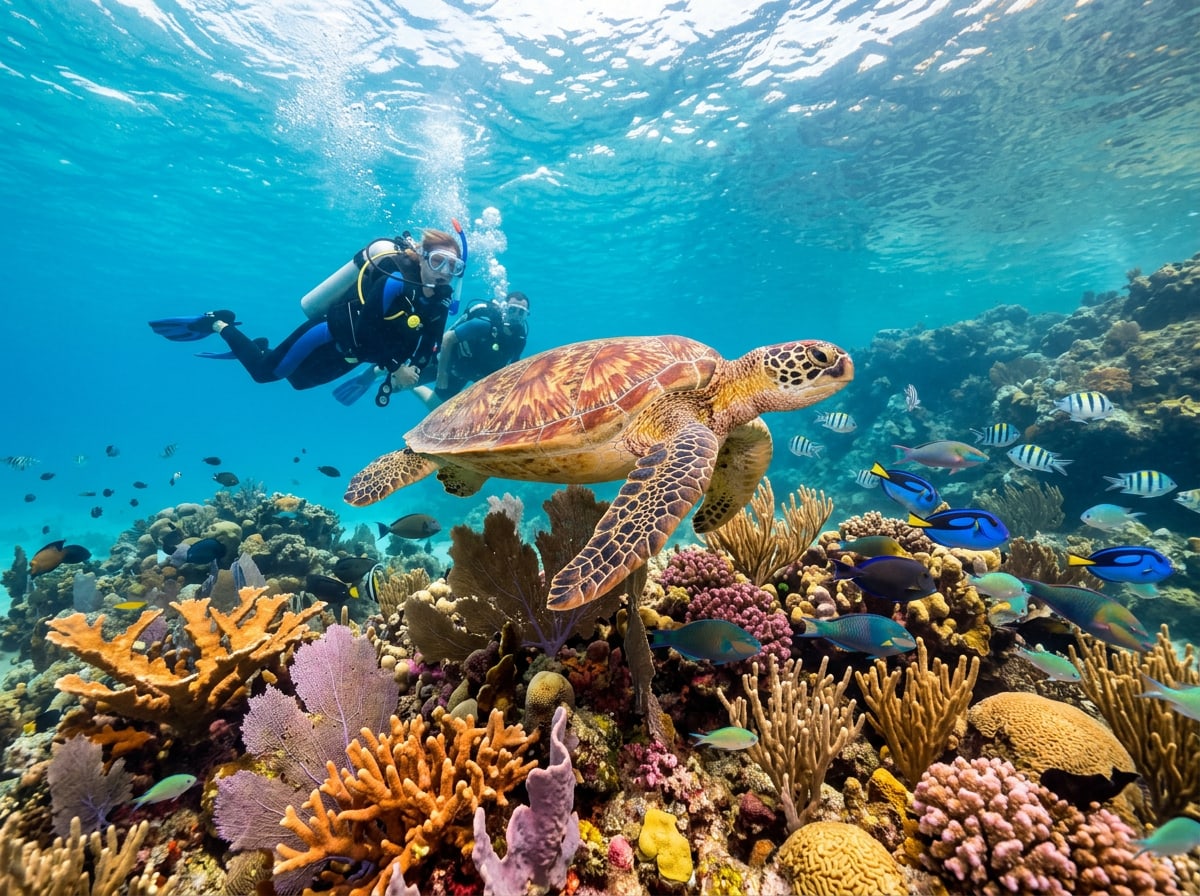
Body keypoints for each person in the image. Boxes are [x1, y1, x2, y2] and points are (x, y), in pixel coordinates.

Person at [149, 223, 468, 407]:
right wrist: (397, 368)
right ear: (422, 257)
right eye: (438, 261)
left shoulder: (441, 301)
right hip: (327, 334)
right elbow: (370, 326)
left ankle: (261, 346)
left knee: (297, 382)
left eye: (454, 267)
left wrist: (413, 368)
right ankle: (218, 322)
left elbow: (431, 345)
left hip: (354, 357)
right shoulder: (396, 280)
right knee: (264, 374)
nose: (445, 272)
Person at [409, 291, 530, 409]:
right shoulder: (485, 324)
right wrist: (442, 374)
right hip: (452, 362)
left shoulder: (520, 339)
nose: (516, 315)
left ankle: (409, 383)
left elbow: (513, 369)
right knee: (400, 383)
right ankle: (396, 368)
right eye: (512, 309)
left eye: (521, 312)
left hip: (472, 373)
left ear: (526, 315)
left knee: (439, 408)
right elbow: (447, 338)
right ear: (504, 309)